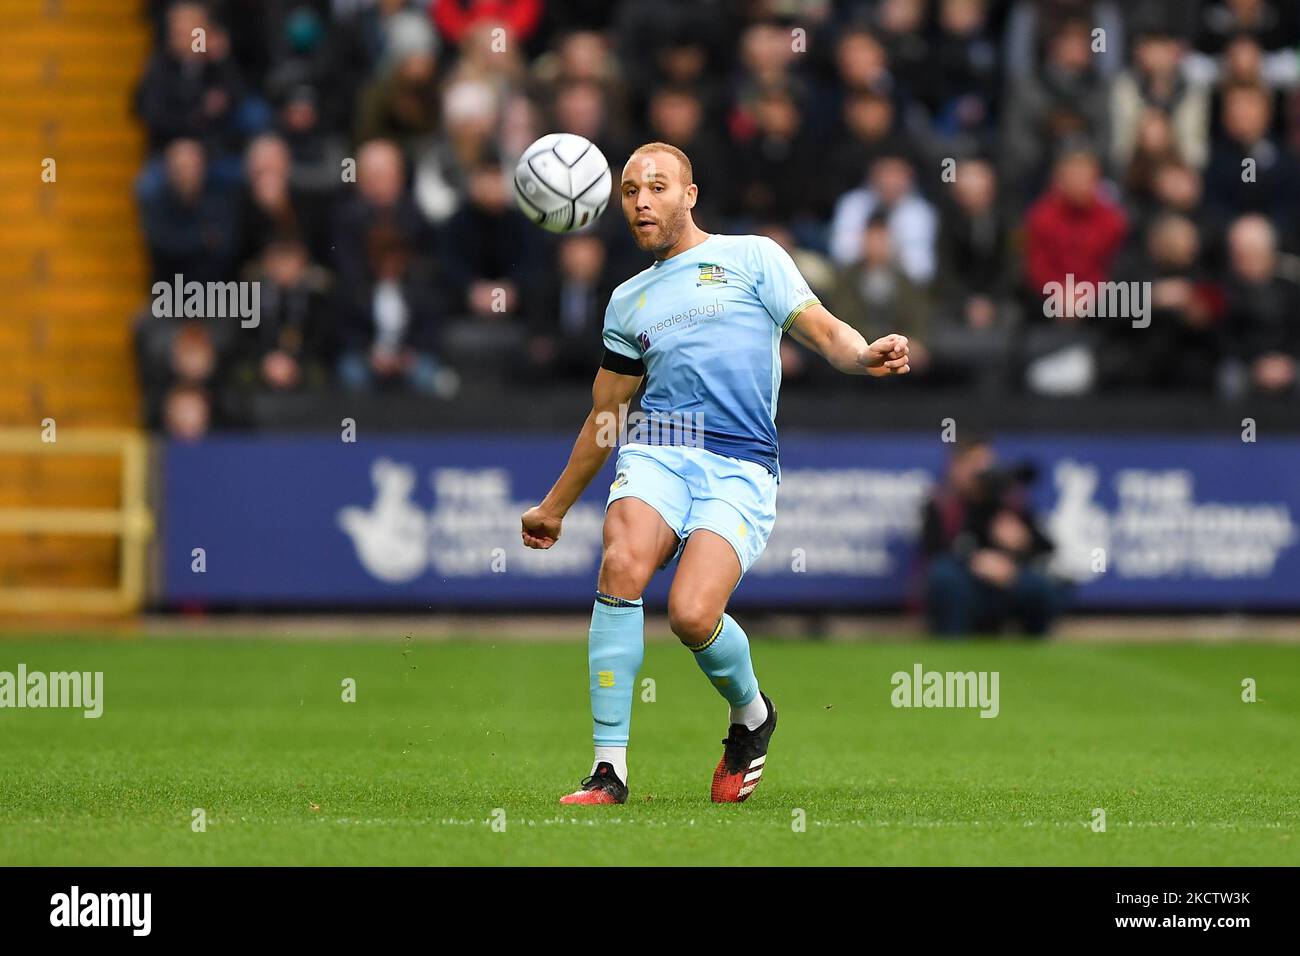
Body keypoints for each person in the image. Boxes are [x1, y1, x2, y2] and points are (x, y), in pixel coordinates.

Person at [519, 142, 913, 805]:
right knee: (620, 566)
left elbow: (820, 329)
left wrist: (862, 353)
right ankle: (608, 770)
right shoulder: (626, 302)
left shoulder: (752, 257)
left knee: (693, 614)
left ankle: (752, 714)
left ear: (690, 195)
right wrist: (555, 505)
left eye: (658, 187)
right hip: (659, 450)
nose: (642, 201)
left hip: (741, 464)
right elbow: (606, 415)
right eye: (630, 191)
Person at [921, 439, 1060, 637]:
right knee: (944, 577)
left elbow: (1047, 547)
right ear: (956, 468)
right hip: (965, 583)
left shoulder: (1010, 503)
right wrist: (975, 560)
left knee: (1041, 586)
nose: (982, 472)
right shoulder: (942, 504)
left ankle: (1036, 648)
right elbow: (932, 550)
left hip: (1007, 581)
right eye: (974, 464)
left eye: (987, 464)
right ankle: (952, 649)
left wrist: (1022, 543)